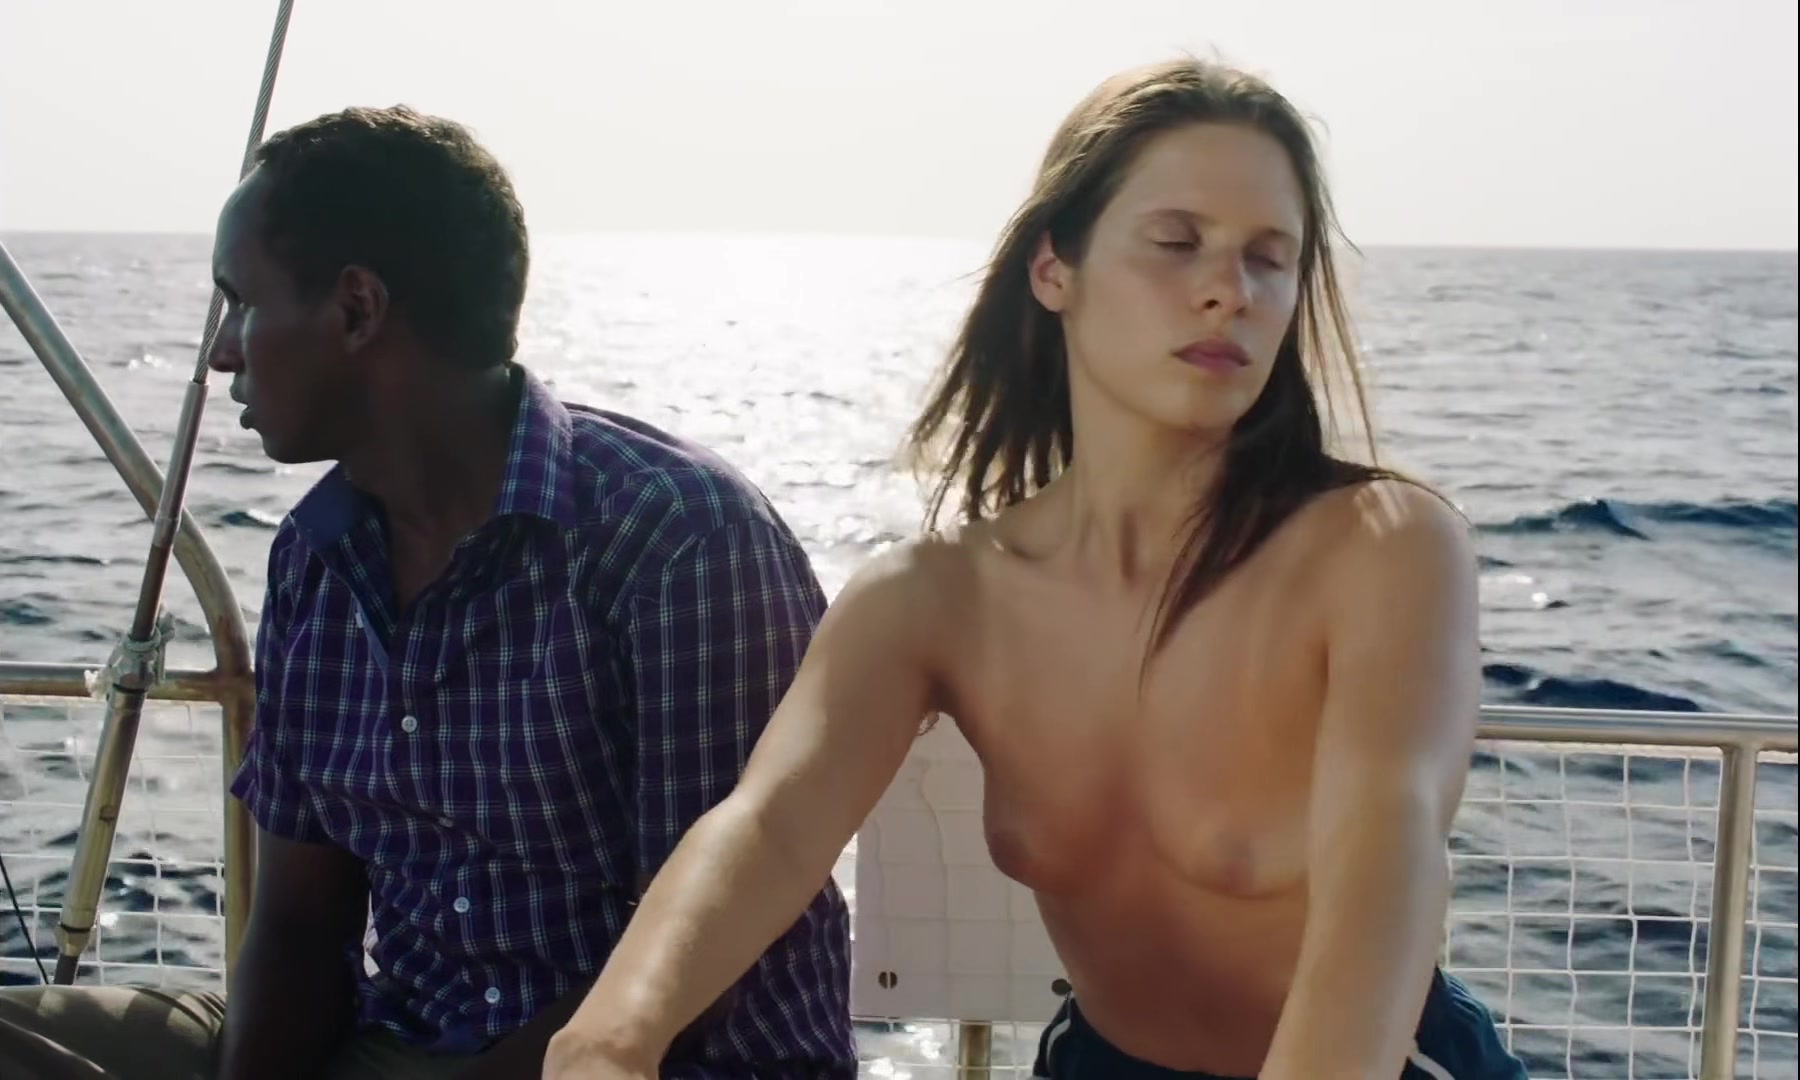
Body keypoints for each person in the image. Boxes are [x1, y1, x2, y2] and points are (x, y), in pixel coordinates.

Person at [542, 59, 1530, 1080]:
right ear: (1055, 268)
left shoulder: (1381, 547)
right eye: (1177, 243)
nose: (1227, 292)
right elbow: (772, 825)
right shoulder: (936, 597)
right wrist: (611, 1035)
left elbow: (1389, 868)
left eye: (1268, 259)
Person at [0, 106, 857, 1080]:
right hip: (404, 1041)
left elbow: (702, 961)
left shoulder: (677, 540)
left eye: (240, 303)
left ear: (356, 310)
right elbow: (301, 926)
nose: (221, 352)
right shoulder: (315, 561)